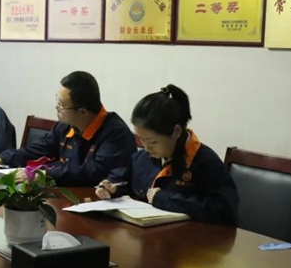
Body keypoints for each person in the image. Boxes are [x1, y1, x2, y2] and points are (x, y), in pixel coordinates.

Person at [95, 84, 239, 225]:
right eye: (142, 140)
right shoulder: (144, 158)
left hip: (192, 237)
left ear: (176, 132)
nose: (146, 148)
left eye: (153, 142)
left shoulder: (205, 162)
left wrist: (165, 199)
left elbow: (225, 210)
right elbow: (125, 178)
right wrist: (112, 187)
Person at [0, 71, 136, 186]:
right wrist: (1, 160)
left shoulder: (115, 134)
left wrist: (43, 175)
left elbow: (92, 173)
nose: (56, 107)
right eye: (57, 101)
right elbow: (38, 149)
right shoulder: (66, 126)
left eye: (61, 105)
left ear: (82, 112)